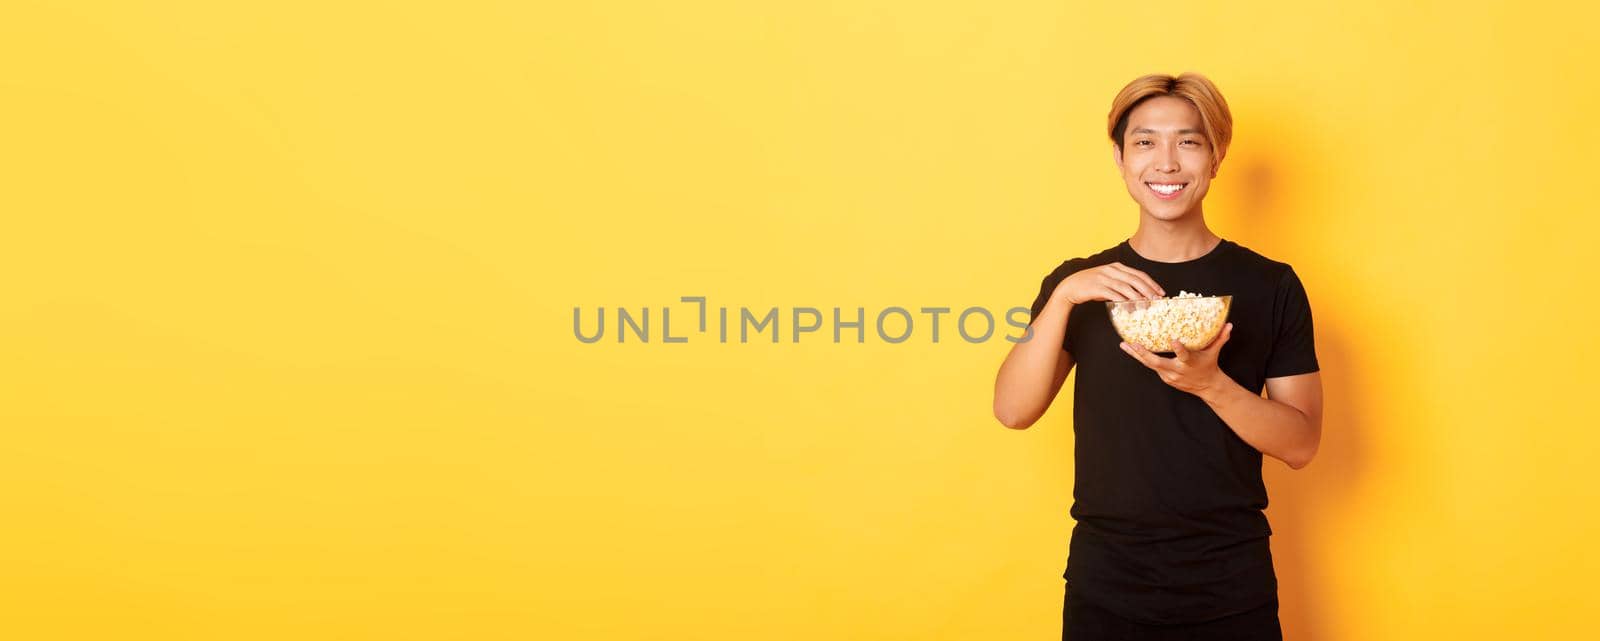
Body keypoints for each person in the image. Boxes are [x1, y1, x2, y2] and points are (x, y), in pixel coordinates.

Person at [991, 72, 1324, 641]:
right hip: (1106, 580)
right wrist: (1068, 294)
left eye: (1188, 141)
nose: (1166, 162)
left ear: (1216, 157)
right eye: (1145, 142)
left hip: (1231, 580)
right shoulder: (1081, 285)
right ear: (1120, 159)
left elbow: (1301, 444)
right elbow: (1012, 410)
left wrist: (1209, 382)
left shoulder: (1271, 285)